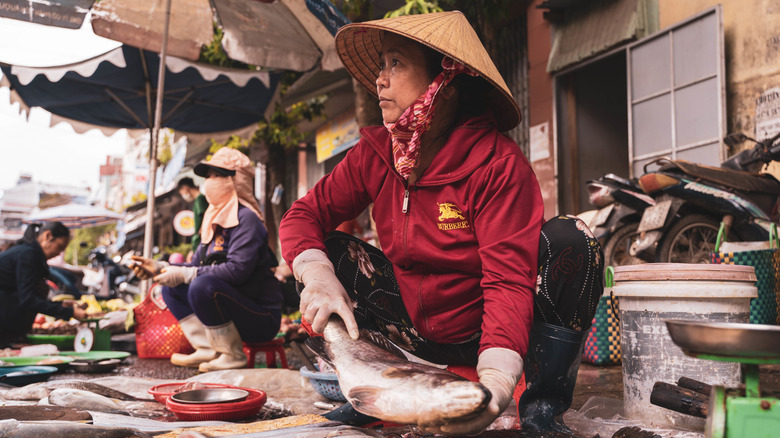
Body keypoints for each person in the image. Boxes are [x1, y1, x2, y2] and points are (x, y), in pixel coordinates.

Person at [279, 11, 603, 435]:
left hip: (482, 327)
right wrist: (317, 275)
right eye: (381, 65)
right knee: (330, 251)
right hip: (411, 328)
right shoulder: (374, 155)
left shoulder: (496, 165)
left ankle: (541, 409)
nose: (380, 79)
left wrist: (497, 383)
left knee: (572, 240)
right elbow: (302, 215)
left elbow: (507, 280)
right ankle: (373, 391)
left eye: (396, 63)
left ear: (444, 84)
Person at [131, 148, 282, 372]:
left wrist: (187, 274)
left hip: (261, 316)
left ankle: (231, 354)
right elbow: (197, 267)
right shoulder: (213, 220)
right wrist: (161, 269)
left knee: (201, 284)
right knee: (169, 287)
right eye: (208, 176)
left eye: (217, 175)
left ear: (236, 179)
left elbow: (237, 270)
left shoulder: (246, 219)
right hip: (232, 310)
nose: (209, 182)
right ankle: (207, 347)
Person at [0, 222, 87, 347]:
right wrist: (69, 313)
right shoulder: (28, 255)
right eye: (59, 247)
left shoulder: (29, 253)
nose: (59, 253)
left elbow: (26, 296)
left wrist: (61, 305)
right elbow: (28, 300)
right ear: (47, 236)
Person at [177, 177, 209, 252]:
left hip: (202, 242)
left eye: (181, 192)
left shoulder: (200, 199)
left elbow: (206, 219)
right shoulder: (199, 200)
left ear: (185, 188)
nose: (183, 194)